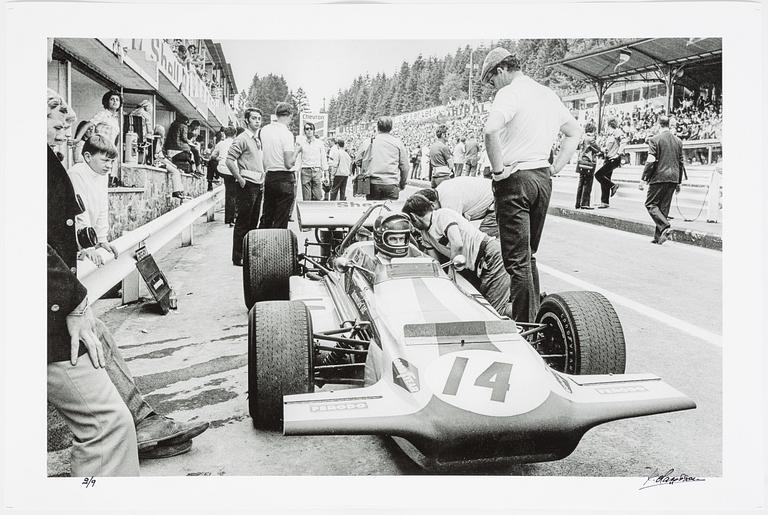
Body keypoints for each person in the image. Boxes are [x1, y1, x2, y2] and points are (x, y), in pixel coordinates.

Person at [481, 47, 582, 323]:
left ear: (501, 70)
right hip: (542, 177)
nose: (492, 88)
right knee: (528, 255)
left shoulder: (509, 92)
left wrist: (499, 171)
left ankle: (523, 326)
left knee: (516, 261)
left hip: (516, 179)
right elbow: (575, 132)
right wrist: (556, 166)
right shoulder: (546, 93)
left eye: (491, 81)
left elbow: (490, 130)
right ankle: (533, 317)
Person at [403, 194, 513, 318]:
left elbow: (457, 243)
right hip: (476, 264)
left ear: (413, 217)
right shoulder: (425, 235)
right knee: (477, 306)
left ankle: (528, 312)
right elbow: (435, 262)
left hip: (490, 254)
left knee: (493, 312)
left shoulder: (442, 215)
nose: (412, 228)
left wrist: (452, 269)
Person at [67, 134, 119, 266]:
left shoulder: (102, 174)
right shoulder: (76, 174)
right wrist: (88, 247)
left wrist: (102, 239)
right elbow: (79, 212)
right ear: (88, 157)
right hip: (70, 237)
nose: (109, 166)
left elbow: (103, 207)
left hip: (85, 238)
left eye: (111, 162)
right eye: (105, 160)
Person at [227, 107, 265, 266]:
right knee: (243, 221)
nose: (257, 121)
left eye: (259, 118)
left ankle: (248, 255)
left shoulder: (257, 139)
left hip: (258, 184)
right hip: (247, 184)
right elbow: (229, 160)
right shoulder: (242, 138)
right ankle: (238, 257)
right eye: (254, 118)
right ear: (247, 121)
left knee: (253, 222)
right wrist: (240, 179)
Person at [642, 116, 686, 245]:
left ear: (658, 124)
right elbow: (681, 162)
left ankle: (665, 226)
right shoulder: (678, 141)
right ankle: (658, 237)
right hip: (673, 178)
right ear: (669, 124)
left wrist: (643, 178)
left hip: (659, 177)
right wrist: (679, 182)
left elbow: (650, 161)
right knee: (663, 208)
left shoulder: (654, 139)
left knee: (650, 204)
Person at [416, 175, 497, 238]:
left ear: (432, 204)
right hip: (494, 195)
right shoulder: (441, 190)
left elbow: (458, 231)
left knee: (484, 241)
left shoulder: (449, 200)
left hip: (497, 198)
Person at [258, 102, 298, 229]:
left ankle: (261, 245)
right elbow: (288, 163)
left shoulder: (264, 130)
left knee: (267, 215)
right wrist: (297, 151)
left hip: (270, 176)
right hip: (284, 178)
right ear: (290, 115)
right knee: (281, 220)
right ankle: (278, 247)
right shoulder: (287, 134)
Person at [363, 116, 410, 201]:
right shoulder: (398, 143)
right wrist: (402, 184)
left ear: (377, 127)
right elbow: (405, 167)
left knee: (372, 211)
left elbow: (358, 160)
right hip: (391, 184)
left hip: (372, 184)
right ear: (391, 128)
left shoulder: (369, 142)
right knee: (388, 212)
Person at [594, 118, 624, 208]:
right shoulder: (611, 134)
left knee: (598, 175)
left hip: (613, 159)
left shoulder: (617, 132)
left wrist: (618, 153)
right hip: (608, 158)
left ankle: (613, 186)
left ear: (610, 125)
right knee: (606, 178)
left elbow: (624, 141)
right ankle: (605, 202)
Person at [211, 127, 238, 225]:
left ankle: (228, 218)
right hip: (235, 170)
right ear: (235, 134)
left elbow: (212, 156)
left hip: (223, 170)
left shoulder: (220, 143)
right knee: (234, 194)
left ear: (225, 134)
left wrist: (219, 158)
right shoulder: (237, 142)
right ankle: (233, 218)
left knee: (229, 193)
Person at [296, 121, 328, 201]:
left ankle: (317, 213)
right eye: (307, 129)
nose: (309, 130)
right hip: (305, 170)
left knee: (318, 196)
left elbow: (323, 157)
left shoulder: (320, 143)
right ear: (304, 131)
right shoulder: (301, 143)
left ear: (314, 131)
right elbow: (298, 158)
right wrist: (296, 170)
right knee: (307, 197)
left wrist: (325, 173)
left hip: (316, 170)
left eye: (311, 129)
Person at [574, 122, 600, 209]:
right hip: (588, 162)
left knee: (581, 183)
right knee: (588, 183)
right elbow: (598, 149)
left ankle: (578, 203)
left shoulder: (582, 137)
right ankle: (585, 203)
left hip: (581, 161)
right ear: (592, 130)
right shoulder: (590, 139)